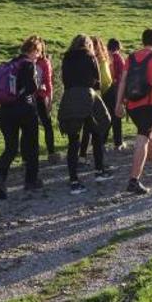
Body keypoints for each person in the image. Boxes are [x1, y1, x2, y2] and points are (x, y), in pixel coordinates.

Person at [114, 29, 152, 195]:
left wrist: (118, 103)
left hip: (132, 105)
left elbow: (123, 81)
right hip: (151, 105)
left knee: (148, 136)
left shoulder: (131, 57)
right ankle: (134, 180)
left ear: (143, 41)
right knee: (143, 139)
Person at [0, 36, 43, 200]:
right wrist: (38, 84)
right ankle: (31, 181)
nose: (39, 56)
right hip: (25, 109)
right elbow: (32, 88)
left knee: (11, 147)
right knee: (31, 145)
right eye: (39, 52)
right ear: (33, 50)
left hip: (6, 111)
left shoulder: (11, 63)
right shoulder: (28, 65)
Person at [58, 34, 113, 195]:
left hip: (69, 96)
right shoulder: (90, 57)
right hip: (88, 97)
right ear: (88, 45)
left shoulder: (66, 58)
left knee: (73, 141)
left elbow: (64, 79)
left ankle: (74, 180)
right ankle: (99, 170)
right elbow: (97, 81)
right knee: (97, 131)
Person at [78, 37, 113, 160]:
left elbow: (105, 80)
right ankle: (94, 152)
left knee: (90, 126)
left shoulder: (96, 60)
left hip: (95, 95)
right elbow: (106, 80)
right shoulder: (98, 60)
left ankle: (87, 152)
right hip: (97, 95)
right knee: (94, 125)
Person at [35, 42, 60, 163]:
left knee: (29, 127)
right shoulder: (45, 62)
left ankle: (27, 156)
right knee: (47, 125)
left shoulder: (29, 61)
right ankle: (51, 153)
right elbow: (48, 83)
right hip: (41, 96)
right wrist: (49, 100)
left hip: (28, 97)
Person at [106, 38, 127, 151]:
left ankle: (102, 140)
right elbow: (122, 76)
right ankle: (118, 142)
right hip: (116, 89)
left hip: (106, 89)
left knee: (107, 115)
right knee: (116, 116)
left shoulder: (105, 57)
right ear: (118, 47)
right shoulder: (118, 57)